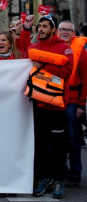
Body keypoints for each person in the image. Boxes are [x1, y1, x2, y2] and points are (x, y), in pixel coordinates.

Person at [18, 15, 73, 199]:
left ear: (53, 29)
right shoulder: (33, 48)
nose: (40, 29)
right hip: (37, 106)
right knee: (40, 145)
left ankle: (59, 180)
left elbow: (65, 73)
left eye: (44, 26)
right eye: (39, 26)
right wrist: (25, 29)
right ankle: (43, 178)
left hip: (56, 107)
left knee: (58, 145)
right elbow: (21, 63)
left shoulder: (64, 49)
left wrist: (42, 66)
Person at [56, 20, 87, 188]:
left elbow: (85, 80)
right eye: (62, 29)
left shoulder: (81, 52)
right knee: (56, 139)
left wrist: (81, 105)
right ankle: (61, 171)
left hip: (73, 101)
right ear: (57, 32)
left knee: (73, 139)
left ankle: (75, 173)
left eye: (69, 30)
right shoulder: (51, 48)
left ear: (74, 34)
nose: (65, 32)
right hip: (53, 99)